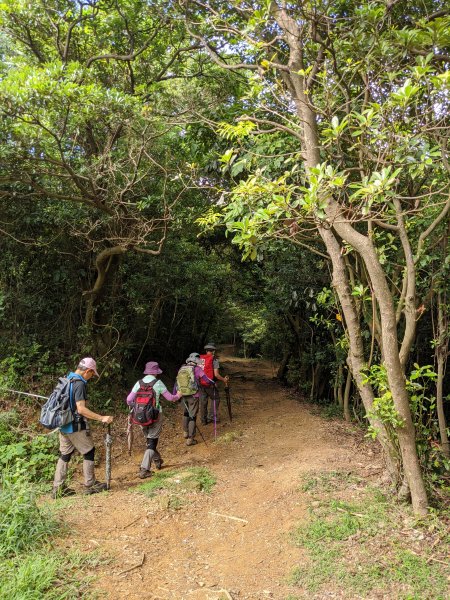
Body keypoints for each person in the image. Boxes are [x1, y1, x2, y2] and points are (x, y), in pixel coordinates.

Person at [52, 357, 113, 499]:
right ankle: (90, 485)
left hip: (63, 424)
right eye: (92, 374)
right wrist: (101, 418)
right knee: (89, 451)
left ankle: (58, 488)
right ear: (89, 371)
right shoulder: (79, 383)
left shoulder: (67, 379)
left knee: (65, 455)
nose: (92, 377)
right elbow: (81, 409)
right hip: (75, 425)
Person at [126, 361, 182, 479]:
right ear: (156, 372)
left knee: (149, 440)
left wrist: (138, 408)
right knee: (152, 442)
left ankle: (157, 460)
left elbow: (129, 400)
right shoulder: (158, 383)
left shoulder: (139, 383)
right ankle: (144, 469)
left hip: (140, 416)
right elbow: (171, 398)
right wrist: (179, 395)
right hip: (155, 416)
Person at [176, 353, 208, 446]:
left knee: (186, 413)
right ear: (196, 361)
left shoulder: (182, 368)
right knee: (192, 416)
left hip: (183, 394)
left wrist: (176, 395)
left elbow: (176, 383)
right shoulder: (197, 369)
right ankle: (190, 439)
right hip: (194, 396)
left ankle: (185, 432)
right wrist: (213, 383)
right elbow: (206, 380)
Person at [199, 342, 229, 425]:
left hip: (201, 383)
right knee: (216, 398)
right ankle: (211, 416)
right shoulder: (214, 360)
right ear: (213, 351)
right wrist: (224, 380)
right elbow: (216, 374)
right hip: (210, 384)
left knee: (203, 401)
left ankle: (203, 420)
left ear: (206, 350)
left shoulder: (200, 359)